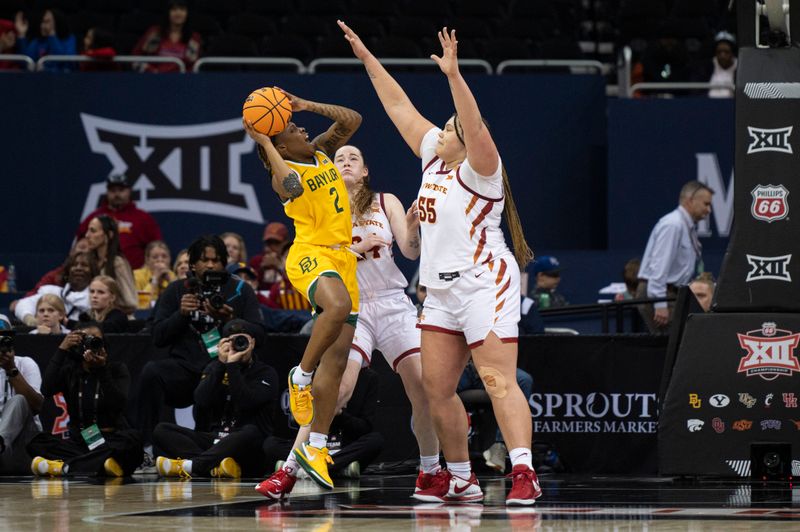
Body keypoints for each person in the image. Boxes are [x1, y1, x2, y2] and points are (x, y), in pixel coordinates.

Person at [340, 22, 541, 505]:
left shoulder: (482, 170)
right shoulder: (434, 160)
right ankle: (460, 477)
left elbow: (471, 124)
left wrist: (453, 75)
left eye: (449, 129)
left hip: (484, 284)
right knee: (436, 390)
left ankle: (523, 472)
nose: (441, 131)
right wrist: (368, 58)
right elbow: (398, 107)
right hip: (438, 290)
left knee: (496, 381)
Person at [258, 144, 439, 499]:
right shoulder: (323, 204)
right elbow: (313, 249)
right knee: (336, 389)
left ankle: (431, 471)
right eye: (338, 158)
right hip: (351, 303)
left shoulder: (386, 201)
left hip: (391, 304)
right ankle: (290, 470)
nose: (345, 162)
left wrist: (414, 226)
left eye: (353, 157)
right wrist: (353, 250)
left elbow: (410, 251)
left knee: (424, 387)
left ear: (366, 170)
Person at [244, 86, 362, 491]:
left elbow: (352, 119)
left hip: (344, 259)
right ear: (280, 143)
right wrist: (264, 141)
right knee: (336, 308)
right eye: (291, 126)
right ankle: (300, 375)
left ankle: (316, 447)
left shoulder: (321, 151)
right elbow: (291, 186)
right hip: (311, 255)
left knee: (339, 360)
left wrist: (307, 103)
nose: (298, 125)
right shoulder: (284, 176)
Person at [136, 235, 262, 460]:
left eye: (216, 260)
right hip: (185, 368)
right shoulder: (176, 290)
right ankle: (146, 448)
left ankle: (205, 453)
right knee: (151, 372)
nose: (211, 265)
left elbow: (260, 334)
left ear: (224, 263)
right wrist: (180, 315)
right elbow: (157, 337)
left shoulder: (241, 289)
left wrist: (230, 320)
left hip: (222, 369)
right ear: (192, 264)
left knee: (212, 377)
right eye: (205, 260)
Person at [153, 319, 279, 479]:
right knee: (162, 430)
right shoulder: (215, 367)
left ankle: (194, 465)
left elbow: (246, 402)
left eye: (243, 340)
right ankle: (215, 466)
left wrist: (232, 366)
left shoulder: (266, 373)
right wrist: (221, 363)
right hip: (215, 440)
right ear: (222, 344)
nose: (238, 346)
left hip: (245, 445)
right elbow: (201, 400)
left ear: (252, 343)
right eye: (231, 341)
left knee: (252, 432)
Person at [27, 323, 143, 477]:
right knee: (37, 442)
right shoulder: (71, 371)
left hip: (110, 438)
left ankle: (66, 467)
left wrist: (101, 370)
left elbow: (118, 404)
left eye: (96, 340)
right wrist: (62, 349)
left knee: (132, 441)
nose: (91, 344)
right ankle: (101, 464)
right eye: (86, 340)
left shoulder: (116, 369)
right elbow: (47, 389)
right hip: (80, 441)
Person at [261, 366, 383, 491]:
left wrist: (340, 414)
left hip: (345, 445)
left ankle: (309, 468)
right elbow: (305, 420)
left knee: (375, 440)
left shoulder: (369, 377)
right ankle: (339, 469)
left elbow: (365, 427)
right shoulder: (323, 370)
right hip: (315, 441)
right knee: (271, 444)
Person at [636, 181, 713, 333]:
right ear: (690, 200)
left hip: (670, 293)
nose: (708, 210)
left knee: (675, 346)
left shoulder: (685, 226)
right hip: (660, 293)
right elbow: (659, 265)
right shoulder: (673, 225)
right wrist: (660, 303)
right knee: (672, 346)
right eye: (706, 204)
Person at [456, 359, 534, 474]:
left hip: (490, 369)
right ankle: (433, 458)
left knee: (524, 380)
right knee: (436, 388)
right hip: (459, 369)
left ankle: (499, 447)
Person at [77, 174, 163, 270]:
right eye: (113, 191)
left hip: (135, 276)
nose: (117, 194)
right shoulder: (94, 217)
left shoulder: (143, 218)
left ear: (129, 191)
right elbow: (80, 246)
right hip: (98, 272)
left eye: (121, 190)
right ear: (107, 192)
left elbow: (157, 248)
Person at [0, 315, 43, 474]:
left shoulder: (25, 363)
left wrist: (11, 369)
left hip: (24, 443)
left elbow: (37, 406)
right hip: (5, 458)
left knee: (18, 400)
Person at [14, 252, 97, 327]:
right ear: (68, 271)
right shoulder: (53, 291)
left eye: (84, 265)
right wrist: (30, 320)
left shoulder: (96, 297)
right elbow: (22, 304)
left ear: (93, 272)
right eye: (74, 265)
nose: (78, 268)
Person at [84, 215, 138, 314]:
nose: (87, 235)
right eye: (88, 231)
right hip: (95, 319)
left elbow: (131, 302)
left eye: (93, 231)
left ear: (109, 234)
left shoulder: (118, 263)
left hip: (119, 322)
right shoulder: (89, 261)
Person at [132, 0, 201, 73]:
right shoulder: (155, 32)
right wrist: (151, 71)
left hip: (181, 80)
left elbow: (194, 66)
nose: (178, 13)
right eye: (174, 9)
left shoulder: (194, 37)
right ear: (168, 13)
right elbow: (136, 57)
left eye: (182, 9)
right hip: (152, 78)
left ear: (187, 13)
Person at [134, 241, 176, 310]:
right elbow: (142, 306)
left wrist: (171, 282)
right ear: (147, 260)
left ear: (170, 259)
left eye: (164, 256)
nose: (160, 260)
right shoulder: (137, 275)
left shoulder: (172, 276)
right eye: (155, 257)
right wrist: (155, 279)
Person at [249, 222, 290, 291]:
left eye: (276, 243)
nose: (271, 247)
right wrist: (261, 270)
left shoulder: (291, 261)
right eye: (269, 243)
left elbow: (293, 287)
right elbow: (251, 287)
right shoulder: (257, 261)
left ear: (285, 243)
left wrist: (279, 267)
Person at [705, 31, 737, 99]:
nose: (722, 55)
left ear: (732, 52)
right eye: (719, 52)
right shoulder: (707, 67)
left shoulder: (740, 68)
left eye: (726, 52)